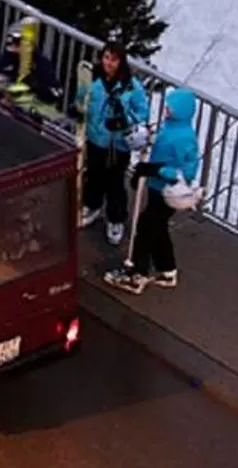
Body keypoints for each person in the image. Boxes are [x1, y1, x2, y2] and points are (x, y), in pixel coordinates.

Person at [108, 88, 201, 292]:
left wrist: (155, 170)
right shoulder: (171, 128)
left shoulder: (185, 138)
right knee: (157, 229)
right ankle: (167, 270)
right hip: (157, 187)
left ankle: (139, 273)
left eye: (171, 107)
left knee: (146, 226)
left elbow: (187, 172)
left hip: (168, 193)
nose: (166, 109)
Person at [79, 43, 151, 247]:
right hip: (96, 138)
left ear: (121, 62)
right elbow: (82, 101)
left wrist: (124, 119)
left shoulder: (132, 86)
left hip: (118, 144)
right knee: (93, 175)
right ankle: (91, 206)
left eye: (113, 59)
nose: (108, 63)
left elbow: (142, 114)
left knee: (115, 182)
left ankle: (116, 219)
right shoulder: (93, 78)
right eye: (106, 58)